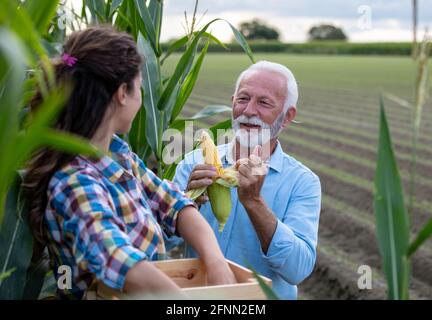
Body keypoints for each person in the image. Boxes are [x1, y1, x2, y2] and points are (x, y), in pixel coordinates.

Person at [23, 26, 236, 300]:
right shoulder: (74, 178)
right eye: (140, 88)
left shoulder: (119, 156)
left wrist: (216, 260)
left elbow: (174, 204)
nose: (141, 98)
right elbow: (117, 259)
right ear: (122, 92)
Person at [168, 61, 321, 300]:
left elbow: (297, 270)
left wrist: (254, 202)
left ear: (287, 116)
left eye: (264, 102)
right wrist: (185, 204)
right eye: (243, 99)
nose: (249, 110)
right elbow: (161, 245)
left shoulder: (302, 182)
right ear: (232, 102)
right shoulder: (192, 164)